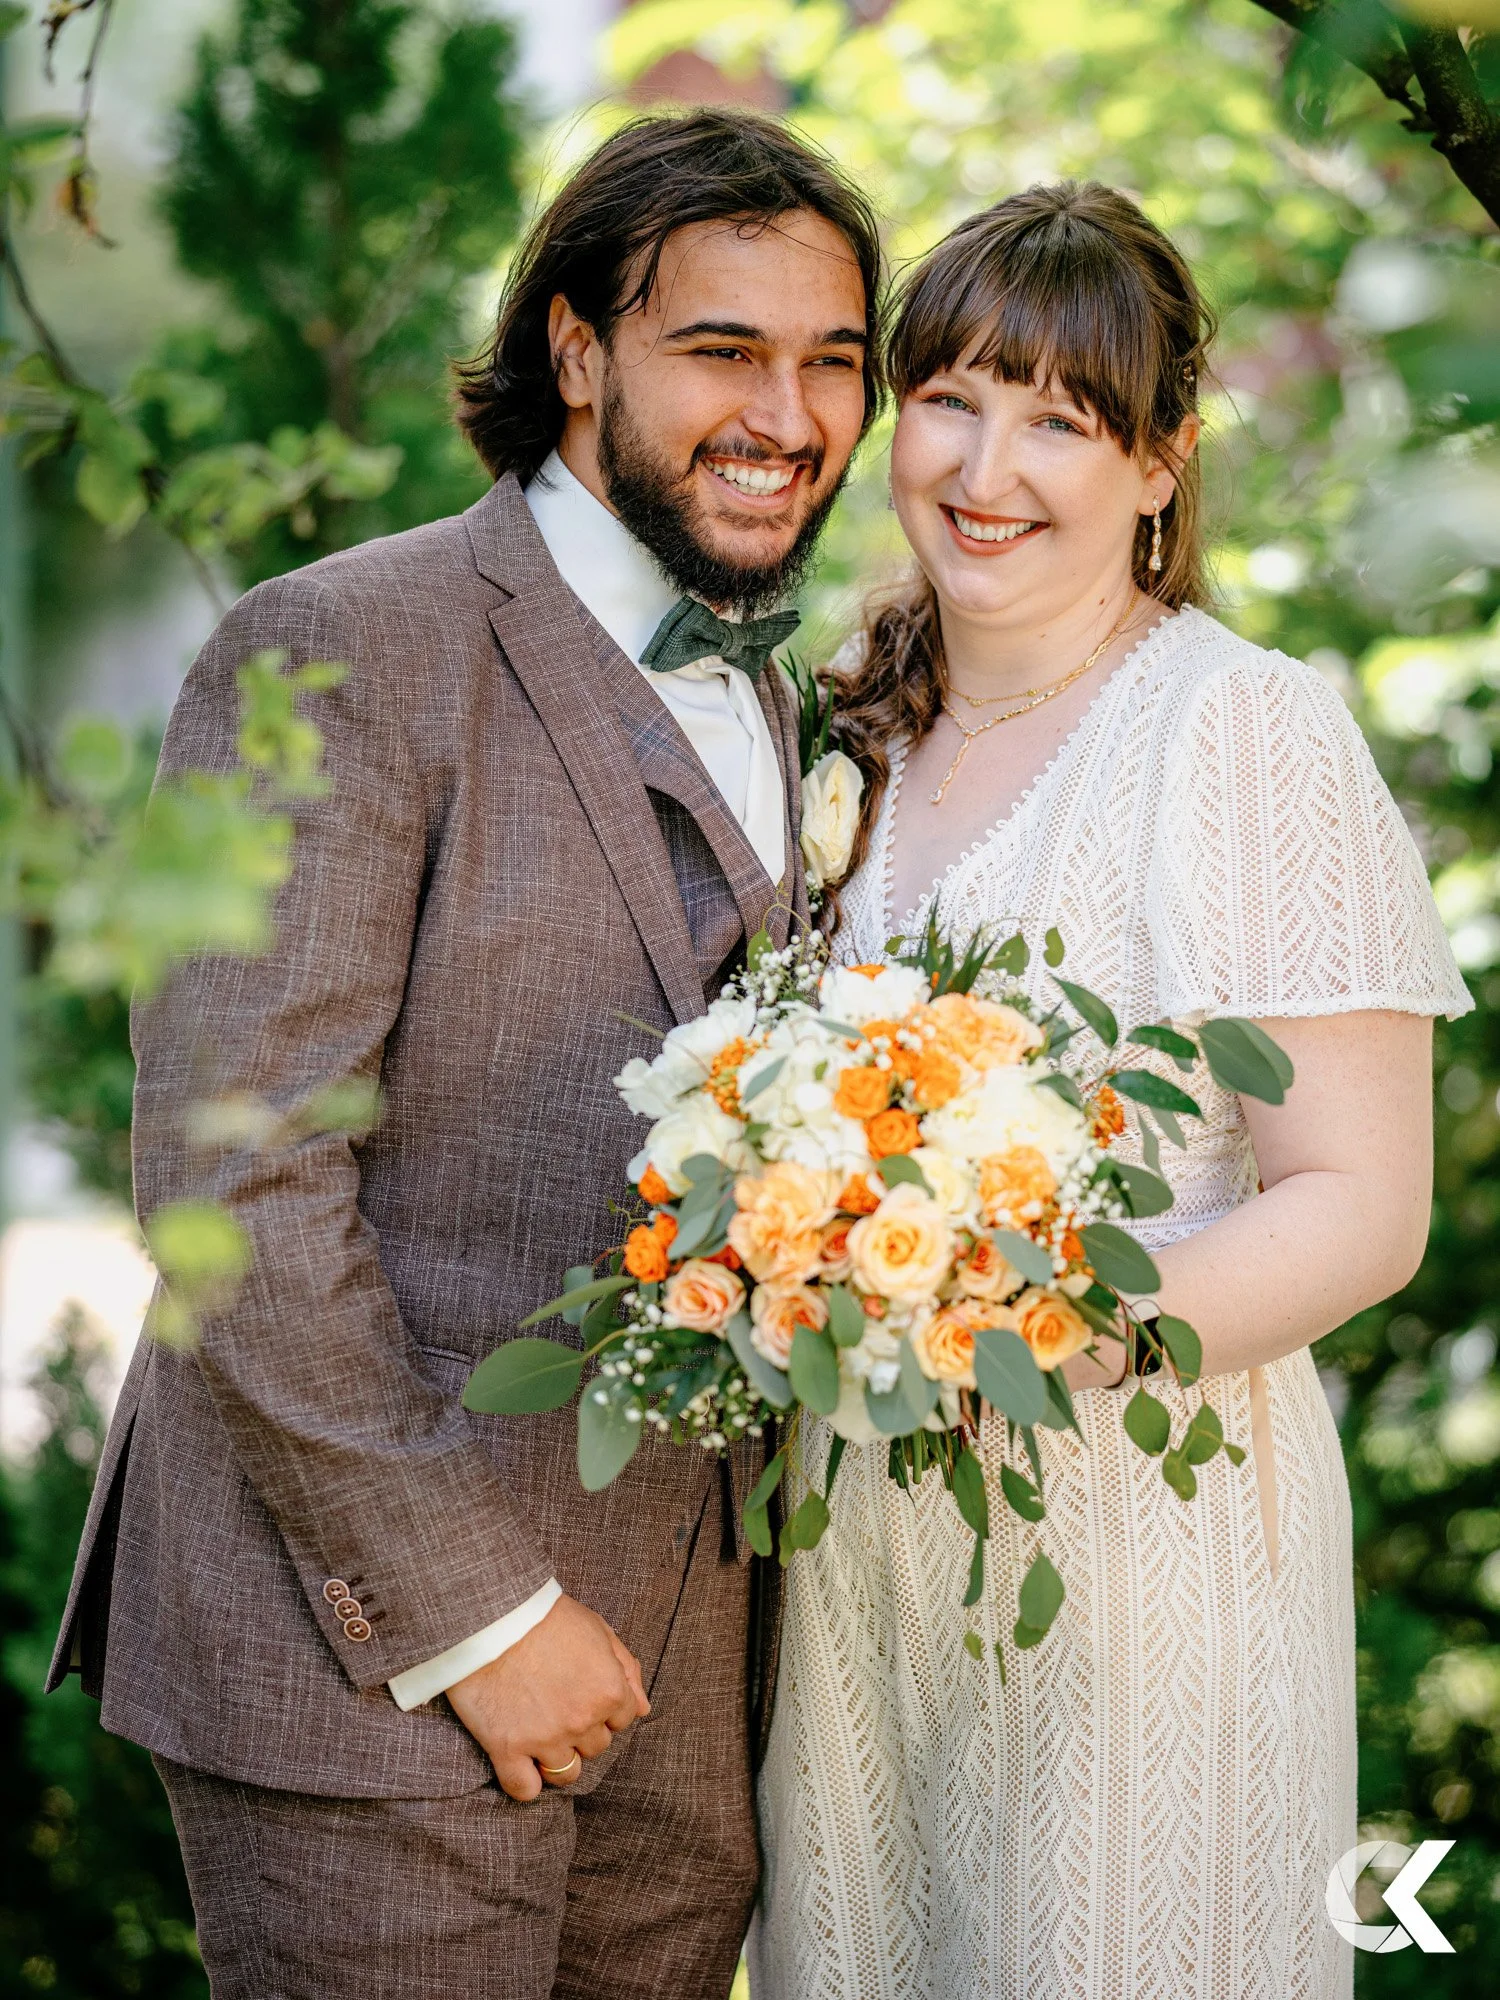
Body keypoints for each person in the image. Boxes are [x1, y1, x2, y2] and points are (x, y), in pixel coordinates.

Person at [49, 110, 881, 2000]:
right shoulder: (333, 648)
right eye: (722, 350)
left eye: (835, 360)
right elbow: (231, 1181)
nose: (793, 411)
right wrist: (471, 1610)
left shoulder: (789, 691)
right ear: (578, 351)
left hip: (695, 1685)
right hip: (371, 1662)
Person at [751, 182, 1470, 2000]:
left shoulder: (1242, 729)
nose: (990, 466)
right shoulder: (847, 731)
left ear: (1161, 466)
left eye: (1063, 419)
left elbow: (1361, 1205)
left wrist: (1054, 1328)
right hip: (859, 1563)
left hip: (1148, 1543)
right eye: (952, 398)